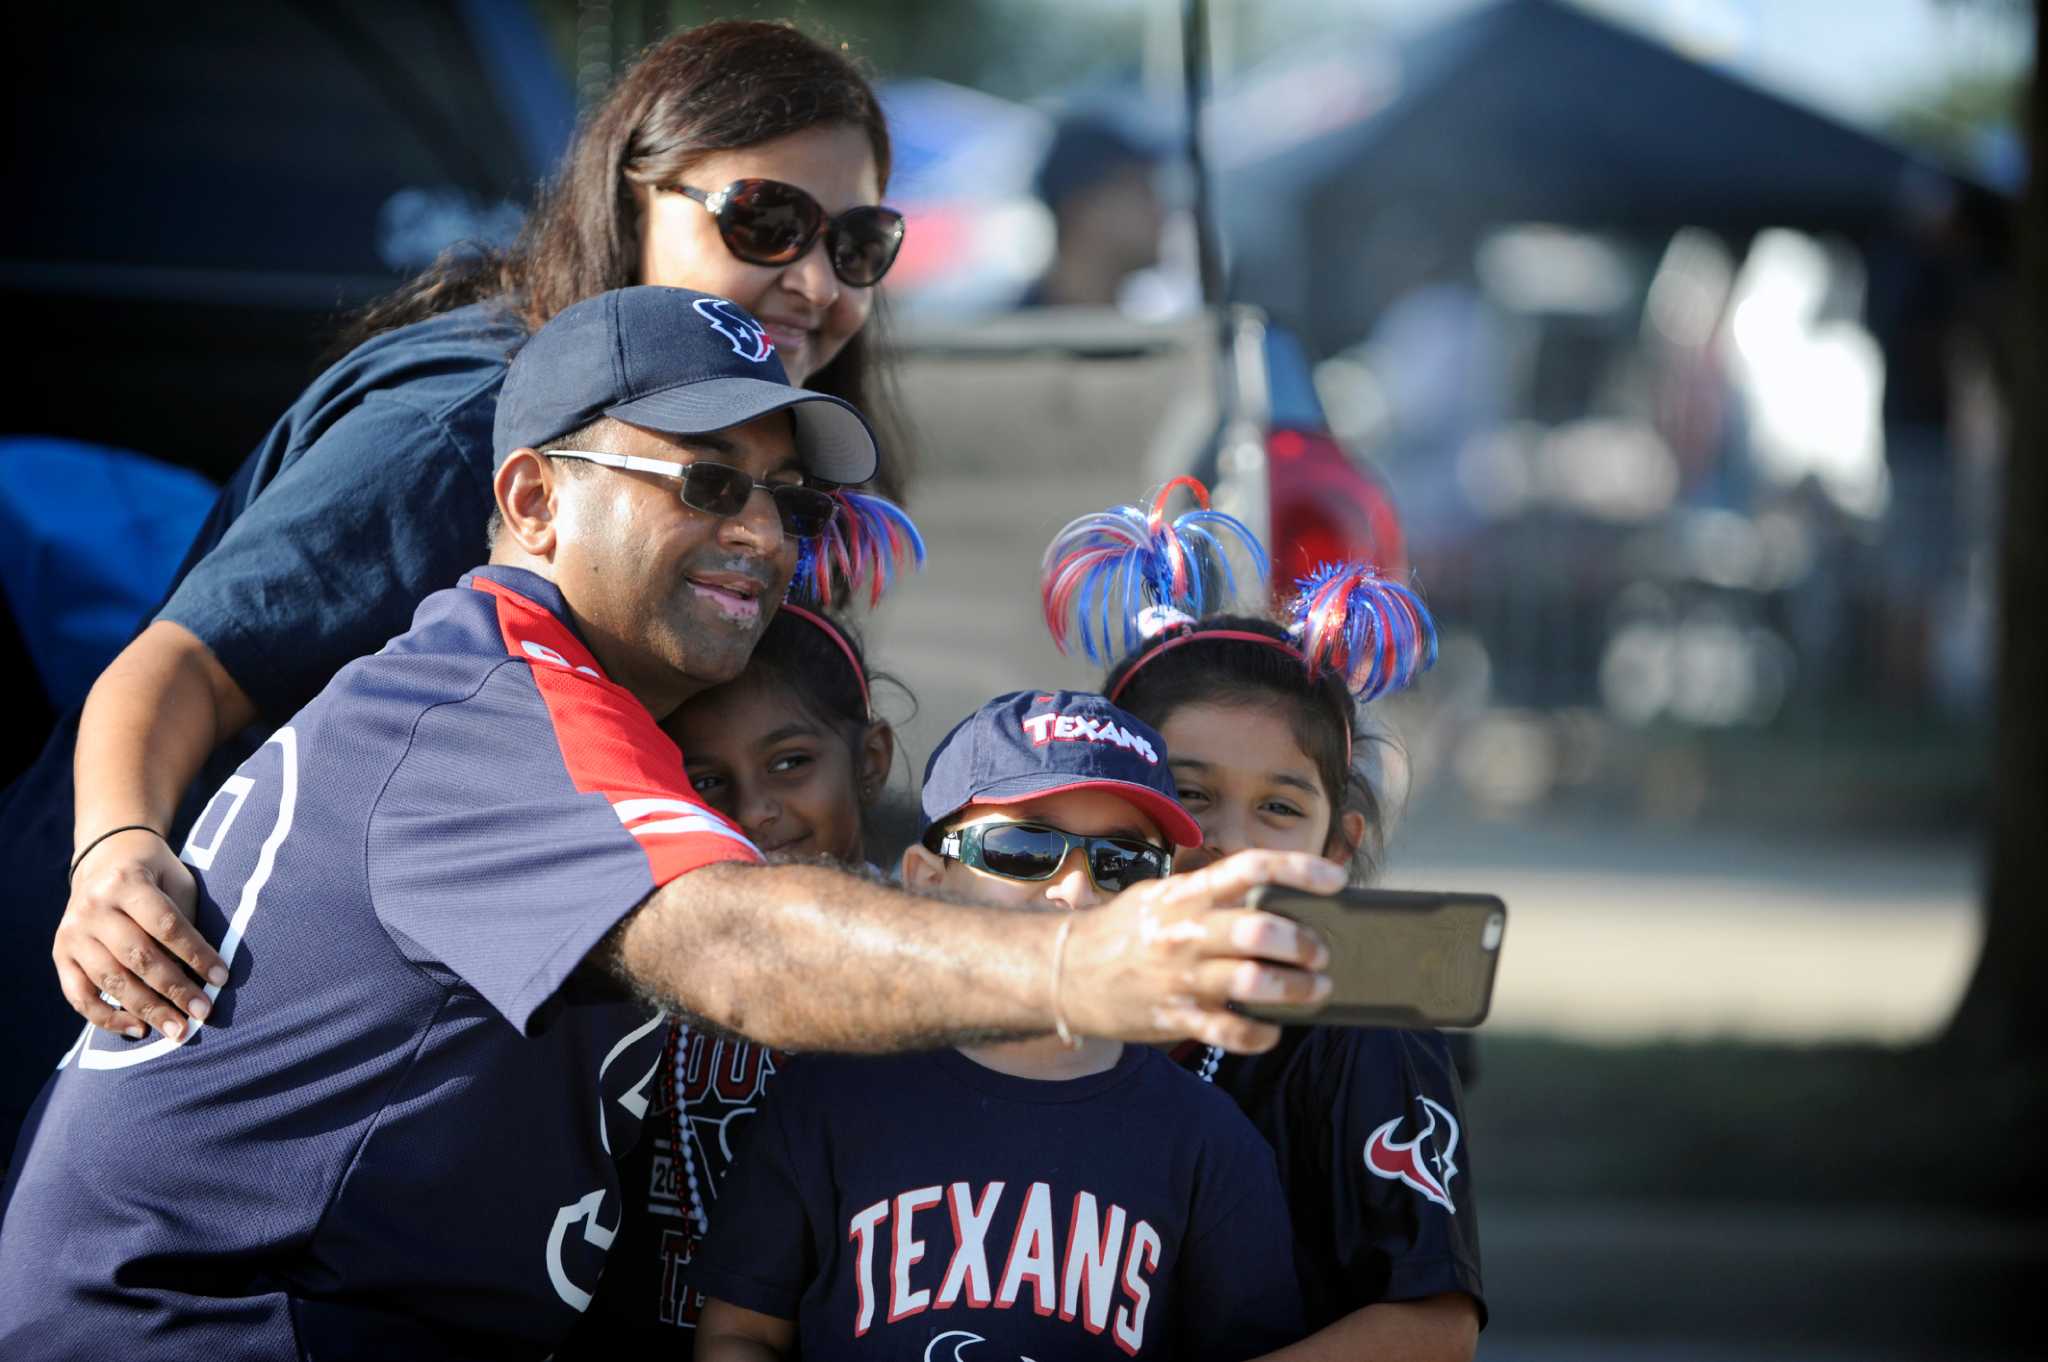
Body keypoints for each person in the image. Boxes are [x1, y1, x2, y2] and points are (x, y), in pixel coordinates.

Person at [0, 287, 1339, 1359]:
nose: (758, 527)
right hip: (223, 1321)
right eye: (706, 481)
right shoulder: (497, 705)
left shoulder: (571, 709)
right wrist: (1076, 964)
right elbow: (731, 945)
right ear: (531, 501)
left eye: (785, 498)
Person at [12, 18, 909, 1164]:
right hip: (146, 1017)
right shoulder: (463, 423)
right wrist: (117, 854)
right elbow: (179, 664)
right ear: (633, 197)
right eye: (766, 221)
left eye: (858, 243)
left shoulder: (777, 477)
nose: (811, 279)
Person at [691, 689, 1306, 1361]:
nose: (1074, 890)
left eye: (1123, 863)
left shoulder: (1212, 1143)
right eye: (1022, 847)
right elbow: (742, 1333)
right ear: (928, 881)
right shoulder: (825, 1095)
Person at [1044, 481, 1487, 1360]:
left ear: (1335, 849)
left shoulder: (1368, 1023)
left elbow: (1432, 1330)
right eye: (1190, 793)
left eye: (1279, 808)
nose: (1229, 843)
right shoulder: (1034, 987)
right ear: (1111, 809)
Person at [564, 537, 916, 1351]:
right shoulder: (639, 943)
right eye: (708, 782)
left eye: (791, 763)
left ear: (870, 761)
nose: (755, 811)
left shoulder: (923, 953)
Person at [1018, 110, 1167, 309]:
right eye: (1142, 192)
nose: (1159, 212)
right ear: (1085, 209)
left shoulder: (1132, 327)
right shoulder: (1010, 335)